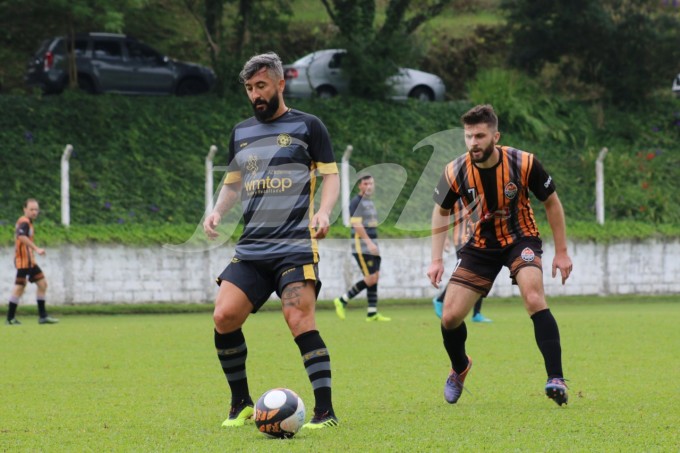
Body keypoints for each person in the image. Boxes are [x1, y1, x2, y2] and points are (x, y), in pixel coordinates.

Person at [203, 52, 340, 430]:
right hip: (252, 248)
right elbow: (233, 182)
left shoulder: (309, 126)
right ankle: (241, 402)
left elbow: (331, 176)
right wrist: (217, 211)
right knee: (223, 316)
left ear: (280, 83)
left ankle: (324, 411)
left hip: (295, 246)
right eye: (249, 88)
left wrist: (324, 212)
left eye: (261, 86)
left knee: (298, 317)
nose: (255, 95)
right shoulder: (241, 132)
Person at [427, 104, 573, 406]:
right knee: (451, 316)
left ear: (496, 136)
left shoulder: (524, 162)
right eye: (469, 136)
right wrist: (436, 259)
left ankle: (556, 378)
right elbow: (440, 211)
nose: (473, 143)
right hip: (479, 245)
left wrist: (562, 252)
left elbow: (552, 203)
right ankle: (460, 367)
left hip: (521, 238)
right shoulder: (455, 170)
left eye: (480, 136)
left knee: (534, 298)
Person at [333, 174, 390, 322]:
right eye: (366, 184)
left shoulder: (369, 202)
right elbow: (357, 225)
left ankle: (372, 313)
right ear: (360, 185)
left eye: (371, 183)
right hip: (362, 244)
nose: (369, 186)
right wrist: (369, 243)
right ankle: (342, 300)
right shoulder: (356, 202)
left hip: (372, 242)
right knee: (370, 277)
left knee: (375, 275)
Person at [432, 199, 491, 323]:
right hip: (461, 239)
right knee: (466, 272)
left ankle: (476, 313)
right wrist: (445, 238)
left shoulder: (478, 191)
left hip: (479, 238)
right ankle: (441, 299)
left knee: (480, 273)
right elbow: (444, 214)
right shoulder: (456, 192)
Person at [6, 198, 58, 325]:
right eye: (31, 209)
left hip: (30, 261)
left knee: (42, 284)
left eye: (36, 209)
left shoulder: (28, 222)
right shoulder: (24, 222)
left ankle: (43, 316)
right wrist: (36, 248)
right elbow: (21, 236)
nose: (34, 212)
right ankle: (10, 318)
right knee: (19, 287)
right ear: (25, 209)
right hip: (24, 262)